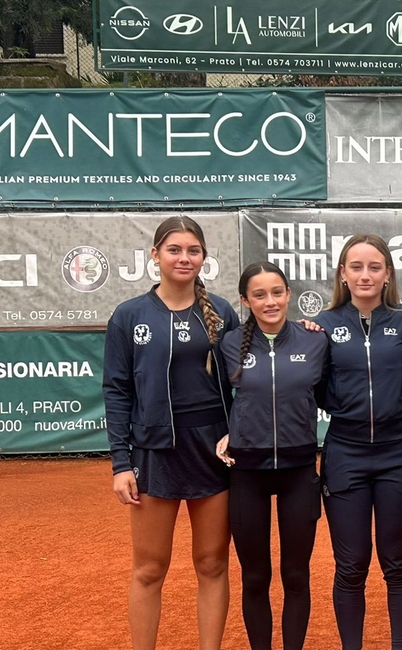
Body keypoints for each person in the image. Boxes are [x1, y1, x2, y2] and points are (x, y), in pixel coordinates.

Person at [103, 216, 239, 650]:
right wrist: (121, 464)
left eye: (193, 250)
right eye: (175, 249)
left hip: (213, 450)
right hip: (153, 452)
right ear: (155, 255)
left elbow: (250, 374)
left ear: (204, 257)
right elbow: (117, 390)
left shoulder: (221, 311)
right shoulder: (129, 316)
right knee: (148, 568)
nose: (184, 258)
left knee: (212, 564)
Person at [313, 234, 402, 650]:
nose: (365, 275)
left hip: (400, 452)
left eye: (374, 267)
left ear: (388, 273)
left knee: (398, 564)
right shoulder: (321, 326)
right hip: (345, 454)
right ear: (343, 272)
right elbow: (311, 384)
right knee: (351, 565)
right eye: (355, 267)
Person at [216, 262, 329, 650]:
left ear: (289, 294)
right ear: (246, 301)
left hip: (299, 472)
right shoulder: (229, 343)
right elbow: (216, 399)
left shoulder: (314, 340)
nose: (270, 301)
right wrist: (225, 431)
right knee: (255, 578)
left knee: (296, 576)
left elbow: (335, 392)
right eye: (259, 295)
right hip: (247, 474)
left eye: (277, 292)